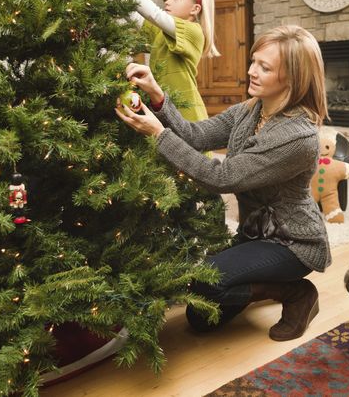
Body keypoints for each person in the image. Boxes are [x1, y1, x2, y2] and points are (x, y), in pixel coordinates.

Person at [115, 25, 330, 341]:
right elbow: (196, 135)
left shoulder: (297, 138)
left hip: (292, 243)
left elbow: (222, 178)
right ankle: (274, 286)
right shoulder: (250, 110)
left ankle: (296, 292)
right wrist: (157, 95)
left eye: (264, 67)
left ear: (292, 79)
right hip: (254, 234)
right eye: (254, 61)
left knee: (206, 282)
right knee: (200, 318)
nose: (251, 71)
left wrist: (157, 134)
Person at [111, 0, 219, 122]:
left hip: (187, 115)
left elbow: (155, 14)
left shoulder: (194, 31)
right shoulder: (161, 32)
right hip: (164, 110)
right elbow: (132, 15)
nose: (167, 1)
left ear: (195, 9)